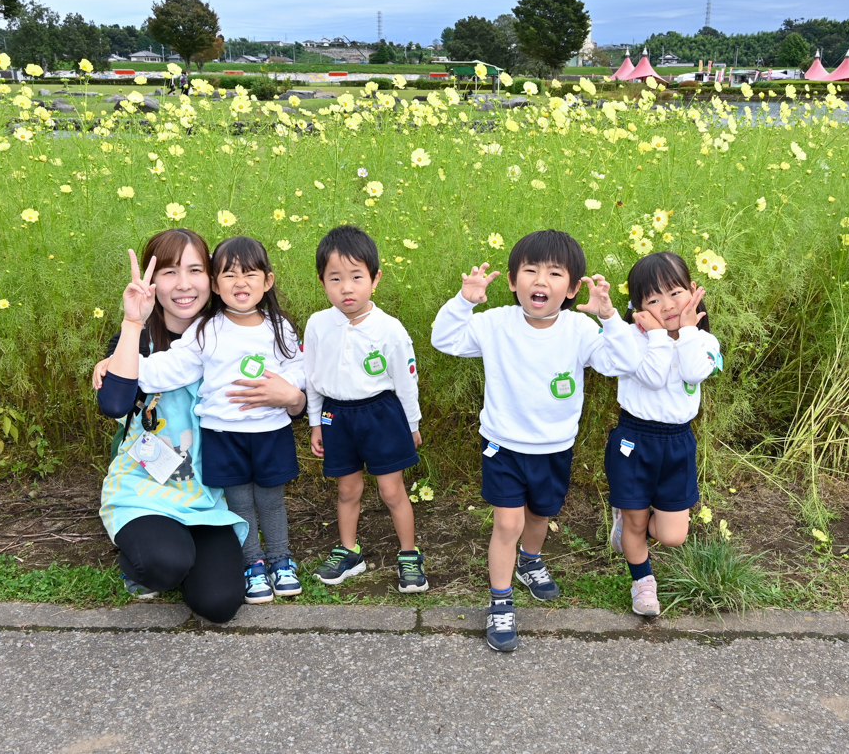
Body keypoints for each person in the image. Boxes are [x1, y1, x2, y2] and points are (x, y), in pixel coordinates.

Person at [431, 230, 641, 652]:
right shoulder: (495, 324)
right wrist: (464, 301)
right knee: (507, 523)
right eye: (530, 271)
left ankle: (529, 561)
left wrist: (609, 318)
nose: (541, 280)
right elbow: (444, 339)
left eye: (555, 273)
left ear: (573, 288)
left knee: (541, 515)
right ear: (512, 281)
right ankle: (500, 602)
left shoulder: (579, 329)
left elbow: (624, 361)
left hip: (554, 447)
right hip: (502, 445)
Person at [93, 229, 303, 623]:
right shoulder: (139, 339)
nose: (184, 284)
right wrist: (132, 323)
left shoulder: (235, 330)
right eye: (170, 272)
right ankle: (146, 557)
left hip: (209, 494)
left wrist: (293, 396)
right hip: (146, 488)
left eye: (194, 270)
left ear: (211, 279)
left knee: (220, 603)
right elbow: (114, 404)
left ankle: (186, 548)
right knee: (164, 565)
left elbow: (287, 401)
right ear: (155, 282)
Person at [304, 226, 426, 593]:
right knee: (347, 489)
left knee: (392, 491)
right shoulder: (318, 324)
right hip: (335, 416)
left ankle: (409, 554)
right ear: (322, 281)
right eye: (335, 278)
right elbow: (312, 378)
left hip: (382, 416)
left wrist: (412, 424)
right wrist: (316, 422)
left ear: (375, 279)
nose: (347, 288)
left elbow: (406, 382)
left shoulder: (389, 329)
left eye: (357, 277)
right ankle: (349, 551)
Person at [605, 252, 721, 616]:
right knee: (638, 522)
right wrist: (656, 335)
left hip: (678, 442)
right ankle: (642, 583)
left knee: (673, 536)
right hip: (634, 439)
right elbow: (654, 379)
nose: (667, 306)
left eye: (675, 293)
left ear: (693, 291)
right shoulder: (631, 339)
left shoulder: (705, 342)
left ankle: (628, 519)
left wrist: (686, 331)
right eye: (653, 300)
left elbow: (693, 372)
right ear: (638, 307)